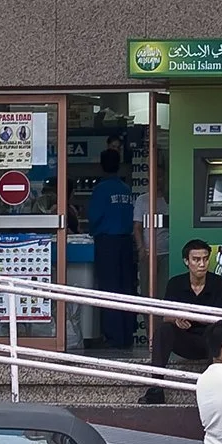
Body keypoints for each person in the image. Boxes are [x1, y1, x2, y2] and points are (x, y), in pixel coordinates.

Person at [141, 239, 222, 404]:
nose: (202, 264)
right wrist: (177, 320)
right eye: (196, 259)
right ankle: (156, 388)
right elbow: (166, 316)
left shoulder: (220, 284)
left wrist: (196, 317)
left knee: (218, 332)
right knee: (164, 330)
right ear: (186, 261)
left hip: (210, 342)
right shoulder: (176, 283)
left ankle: (217, 391)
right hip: (185, 339)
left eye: (205, 259)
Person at [88, 149, 138, 349]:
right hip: (126, 242)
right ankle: (127, 335)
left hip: (107, 243)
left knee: (109, 289)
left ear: (102, 165)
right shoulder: (126, 189)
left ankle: (113, 337)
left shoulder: (101, 189)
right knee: (126, 288)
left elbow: (94, 217)